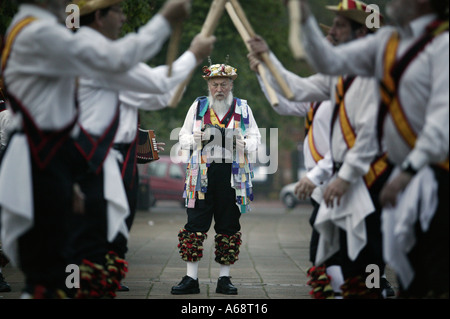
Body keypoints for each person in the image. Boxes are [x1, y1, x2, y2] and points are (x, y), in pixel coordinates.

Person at [0, 0, 192, 298]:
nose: (66, 3)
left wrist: (70, 175)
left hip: (57, 156)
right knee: (52, 265)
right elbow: (122, 62)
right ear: (100, 17)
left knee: (63, 259)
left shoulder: (40, 31)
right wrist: (166, 21)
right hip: (42, 156)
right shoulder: (39, 34)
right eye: (117, 10)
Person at [298, 0, 449, 299]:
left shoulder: (443, 44)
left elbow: (441, 121)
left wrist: (407, 171)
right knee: (407, 274)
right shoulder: (387, 42)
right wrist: (302, 21)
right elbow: (328, 62)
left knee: (436, 273)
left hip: (433, 176)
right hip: (394, 176)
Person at [68, 0, 214, 298]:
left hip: (120, 159)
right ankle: (80, 289)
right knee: (89, 241)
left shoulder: (110, 59)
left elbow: (159, 96)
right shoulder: (91, 51)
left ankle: (99, 286)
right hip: (91, 159)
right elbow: (156, 80)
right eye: (118, 11)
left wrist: (187, 63)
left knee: (115, 237)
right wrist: (190, 52)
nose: (123, 17)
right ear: (98, 16)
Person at [249, 0, 394, 299]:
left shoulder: (375, 75)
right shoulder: (338, 75)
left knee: (368, 257)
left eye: (340, 27)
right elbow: (296, 89)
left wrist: (335, 174)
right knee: (338, 253)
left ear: (361, 34)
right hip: (340, 179)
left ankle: (374, 291)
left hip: (369, 179)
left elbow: (368, 137)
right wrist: (268, 59)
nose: (333, 34)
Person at [247, 36, 343, 298]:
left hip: (342, 180)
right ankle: (337, 291)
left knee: (345, 248)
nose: (318, 46)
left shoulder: (351, 85)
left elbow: (350, 143)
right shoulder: (322, 86)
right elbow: (286, 103)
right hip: (322, 186)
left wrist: (267, 57)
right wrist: (262, 72)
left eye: (331, 39)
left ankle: (369, 286)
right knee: (325, 248)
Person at [171, 60, 261, 295]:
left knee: (229, 225)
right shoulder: (198, 106)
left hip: (232, 174)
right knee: (195, 223)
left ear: (231, 85)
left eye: (223, 84)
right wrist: (195, 140)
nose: (219, 88)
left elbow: (256, 140)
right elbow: (182, 136)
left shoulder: (243, 108)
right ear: (208, 85)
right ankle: (191, 278)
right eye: (214, 84)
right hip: (201, 172)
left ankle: (224, 279)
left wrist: (243, 143)